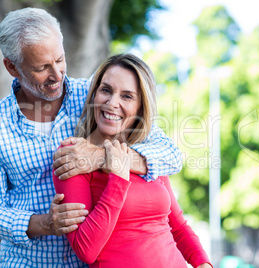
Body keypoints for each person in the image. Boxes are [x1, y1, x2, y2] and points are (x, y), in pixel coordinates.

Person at [0, 8, 182, 267]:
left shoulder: (96, 97)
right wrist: (44, 223)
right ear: (12, 67)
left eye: (60, 60)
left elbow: (171, 155)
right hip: (29, 262)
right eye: (42, 67)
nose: (57, 74)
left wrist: (100, 158)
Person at [53, 53, 212, 268]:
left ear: (140, 108)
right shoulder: (75, 155)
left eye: (127, 96)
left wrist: (203, 263)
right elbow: (86, 250)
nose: (112, 103)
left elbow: (178, 225)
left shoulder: (147, 153)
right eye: (106, 90)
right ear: (93, 95)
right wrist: (118, 177)